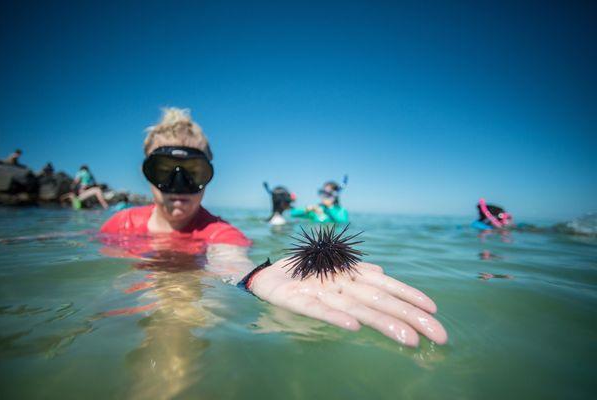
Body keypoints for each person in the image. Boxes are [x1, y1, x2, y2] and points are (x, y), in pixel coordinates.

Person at [100, 107, 447, 346]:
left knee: (183, 317)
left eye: (193, 173)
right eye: (163, 171)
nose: (178, 186)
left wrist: (253, 276)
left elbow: (231, 261)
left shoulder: (222, 234)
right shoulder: (118, 223)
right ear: (147, 174)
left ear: (209, 177)